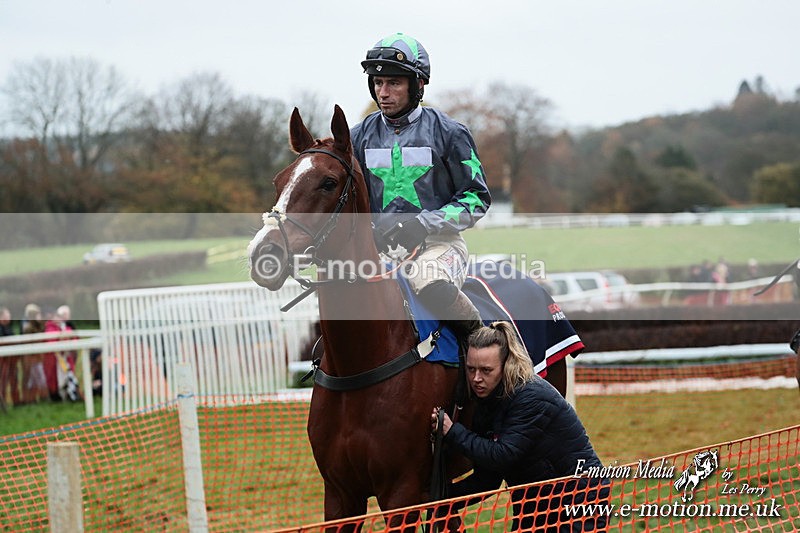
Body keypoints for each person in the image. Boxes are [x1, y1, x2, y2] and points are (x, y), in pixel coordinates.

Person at [351, 32, 492, 345]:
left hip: (439, 245)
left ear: (418, 85)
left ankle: (484, 349)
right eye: (377, 83)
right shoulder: (357, 137)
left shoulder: (450, 133)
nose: (383, 92)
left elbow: (477, 198)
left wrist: (424, 223)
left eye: (394, 83)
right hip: (379, 250)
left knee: (426, 278)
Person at [431, 322, 609, 531]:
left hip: (579, 499)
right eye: (471, 369)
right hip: (536, 502)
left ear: (506, 365)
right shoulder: (487, 404)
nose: (476, 378)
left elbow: (502, 454)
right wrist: (439, 499)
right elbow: (486, 480)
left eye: (486, 370)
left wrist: (452, 432)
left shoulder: (530, 396)